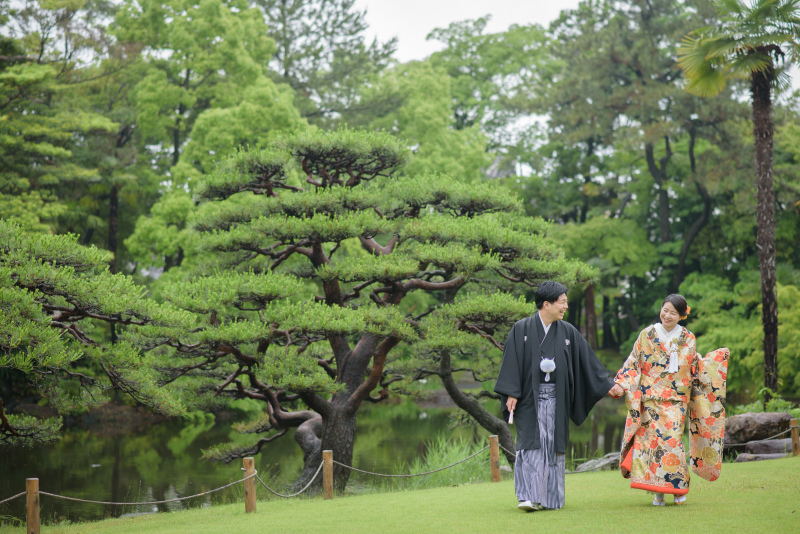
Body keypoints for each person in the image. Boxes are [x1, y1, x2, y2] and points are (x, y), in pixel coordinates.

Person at [494, 281, 623, 512]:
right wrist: (511, 393)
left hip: (557, 399)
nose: (565, 306)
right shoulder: (521, 329)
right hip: (527, 400)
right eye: (562, 301)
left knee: (553, 445)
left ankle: (551, 498)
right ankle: (528, 497)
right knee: (532, 444)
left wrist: (607, 384)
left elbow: (588, 361)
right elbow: (511, 362)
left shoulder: (567, 331)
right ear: (547, 304)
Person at [614, 294, 728, 506]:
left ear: (682, 316)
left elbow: (695, 367)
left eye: (673, 313)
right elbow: (633, 363)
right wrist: (621, 383)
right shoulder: (646, 334)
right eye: (665, 310)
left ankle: (677, 488)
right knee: (653, 445)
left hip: (676, 399)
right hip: (650, 399)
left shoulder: (688, 338)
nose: (667, 315)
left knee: (673, 442)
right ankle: (658, 492)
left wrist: (715, 362)